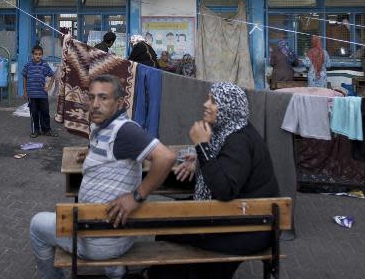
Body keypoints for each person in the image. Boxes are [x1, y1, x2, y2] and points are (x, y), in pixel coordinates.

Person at [30, 75, 177, 279]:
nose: (95, 105)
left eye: (103, 98)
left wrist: (136, 197)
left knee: (37, 225)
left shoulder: (124, 130)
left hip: (100, 241)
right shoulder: (106, 127)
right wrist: (92, 152)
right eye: (91, 98)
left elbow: (166, 158)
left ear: (118, 103)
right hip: (117, 233)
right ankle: (115, 271)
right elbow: (116, 153)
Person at [152, 82, 279, 279]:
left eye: (213, 101)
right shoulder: (232, 131)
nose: (205, 104)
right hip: (244, 219)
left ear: (228, 108)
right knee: (169, 222)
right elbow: (225, 165)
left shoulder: (239, 141)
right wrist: (200, 160)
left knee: (169, 228)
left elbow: (224, 190)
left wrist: (202, 147)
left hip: (248, 229)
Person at [22, 45, 56, 138]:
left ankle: (46, 130)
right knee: (34, 113)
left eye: (40, 54)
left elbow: (53, 75)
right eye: (36, 54)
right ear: (32, 55)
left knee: (45, 112)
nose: (38, 56)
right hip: (32, 94)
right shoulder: (28, 65)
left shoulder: (44, 65)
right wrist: (25, 91)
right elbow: (24, 76)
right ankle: (36, 130)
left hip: (42, 94)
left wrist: (48, 87)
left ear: (42, 55)